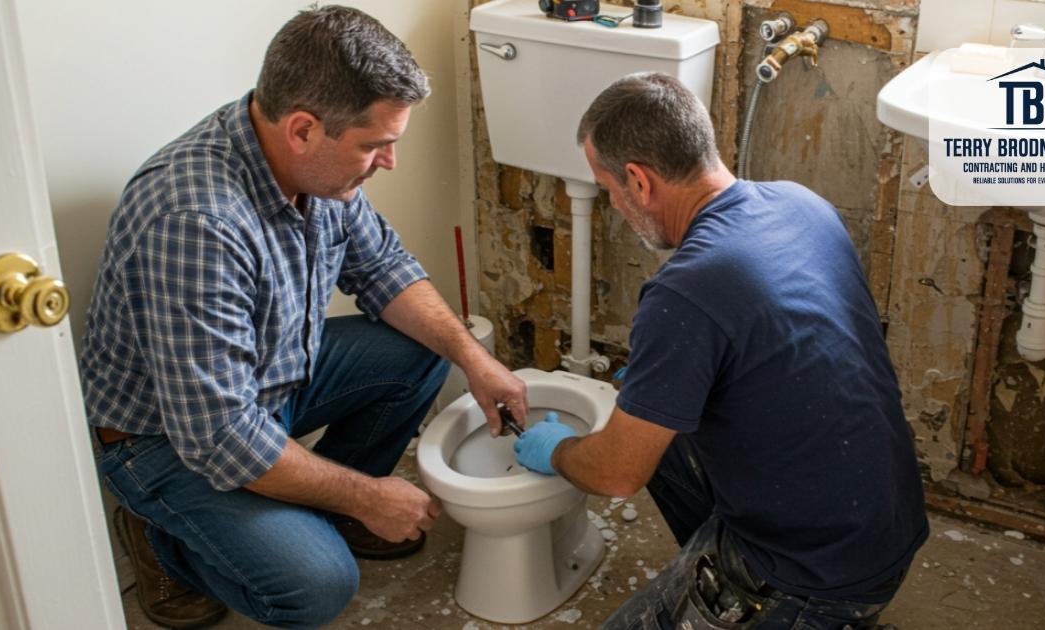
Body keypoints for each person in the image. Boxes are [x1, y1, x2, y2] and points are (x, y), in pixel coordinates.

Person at [80, 6, 527, 628]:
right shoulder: (196, 221)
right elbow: (221, 437)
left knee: (430, 345)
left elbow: (384, 270)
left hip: (269, 385)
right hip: (167, 439)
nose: (389, 162)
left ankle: (322, 511)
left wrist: (476, 359)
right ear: (302, 130)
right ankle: (163, 538)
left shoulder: (319, 172)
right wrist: (372, 495)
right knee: (317, 586)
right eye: (375, 145)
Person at [512, 73, 928, 629]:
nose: (611, 203)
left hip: (815, 574)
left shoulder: (685, 293)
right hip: (884, 521)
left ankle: (771, 605)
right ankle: (719, 571)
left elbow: (616, 474)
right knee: (649, 406)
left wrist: (558, 450)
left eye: (608, 188)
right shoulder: (802, 204)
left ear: (639, 181)